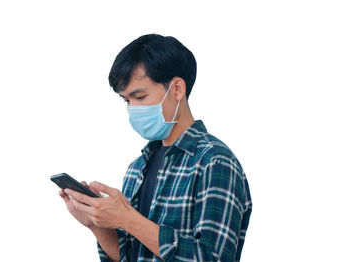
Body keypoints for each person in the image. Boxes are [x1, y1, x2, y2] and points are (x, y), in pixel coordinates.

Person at [59, 34, 252, 262]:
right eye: (126, 101)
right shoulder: (137, 168)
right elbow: (132, 256)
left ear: (177, 89)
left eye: (140, 96)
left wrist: (129, 219)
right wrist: (96, 224)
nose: (133, 108)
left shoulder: (215, 161)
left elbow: (213, 258)